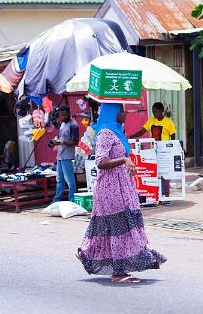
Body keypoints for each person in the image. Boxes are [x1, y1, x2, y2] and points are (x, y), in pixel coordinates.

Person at [77, 103, 166, 283]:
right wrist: (124, 160)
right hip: (110, 189)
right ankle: (118, 273)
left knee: (109, 226)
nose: (125, 114)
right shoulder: (105, 133)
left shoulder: (117, 132)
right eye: (122, 111)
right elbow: (100, 161)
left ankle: (85, 252)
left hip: (122, 185)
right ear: (113, 113)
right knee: (119, 228)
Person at [51, 104, 79, 202]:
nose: (62, 117)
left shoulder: (73, 125)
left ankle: (72, 200)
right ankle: (56, 200)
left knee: (69, 180)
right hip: (60, 155)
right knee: (59, 179)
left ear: (69, 113)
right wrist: (55, 141)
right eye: (61, 116)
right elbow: (61, 137)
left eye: (64, 115)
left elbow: (75, 142)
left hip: (67, 156)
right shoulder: (63, 123)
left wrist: (61, 142)